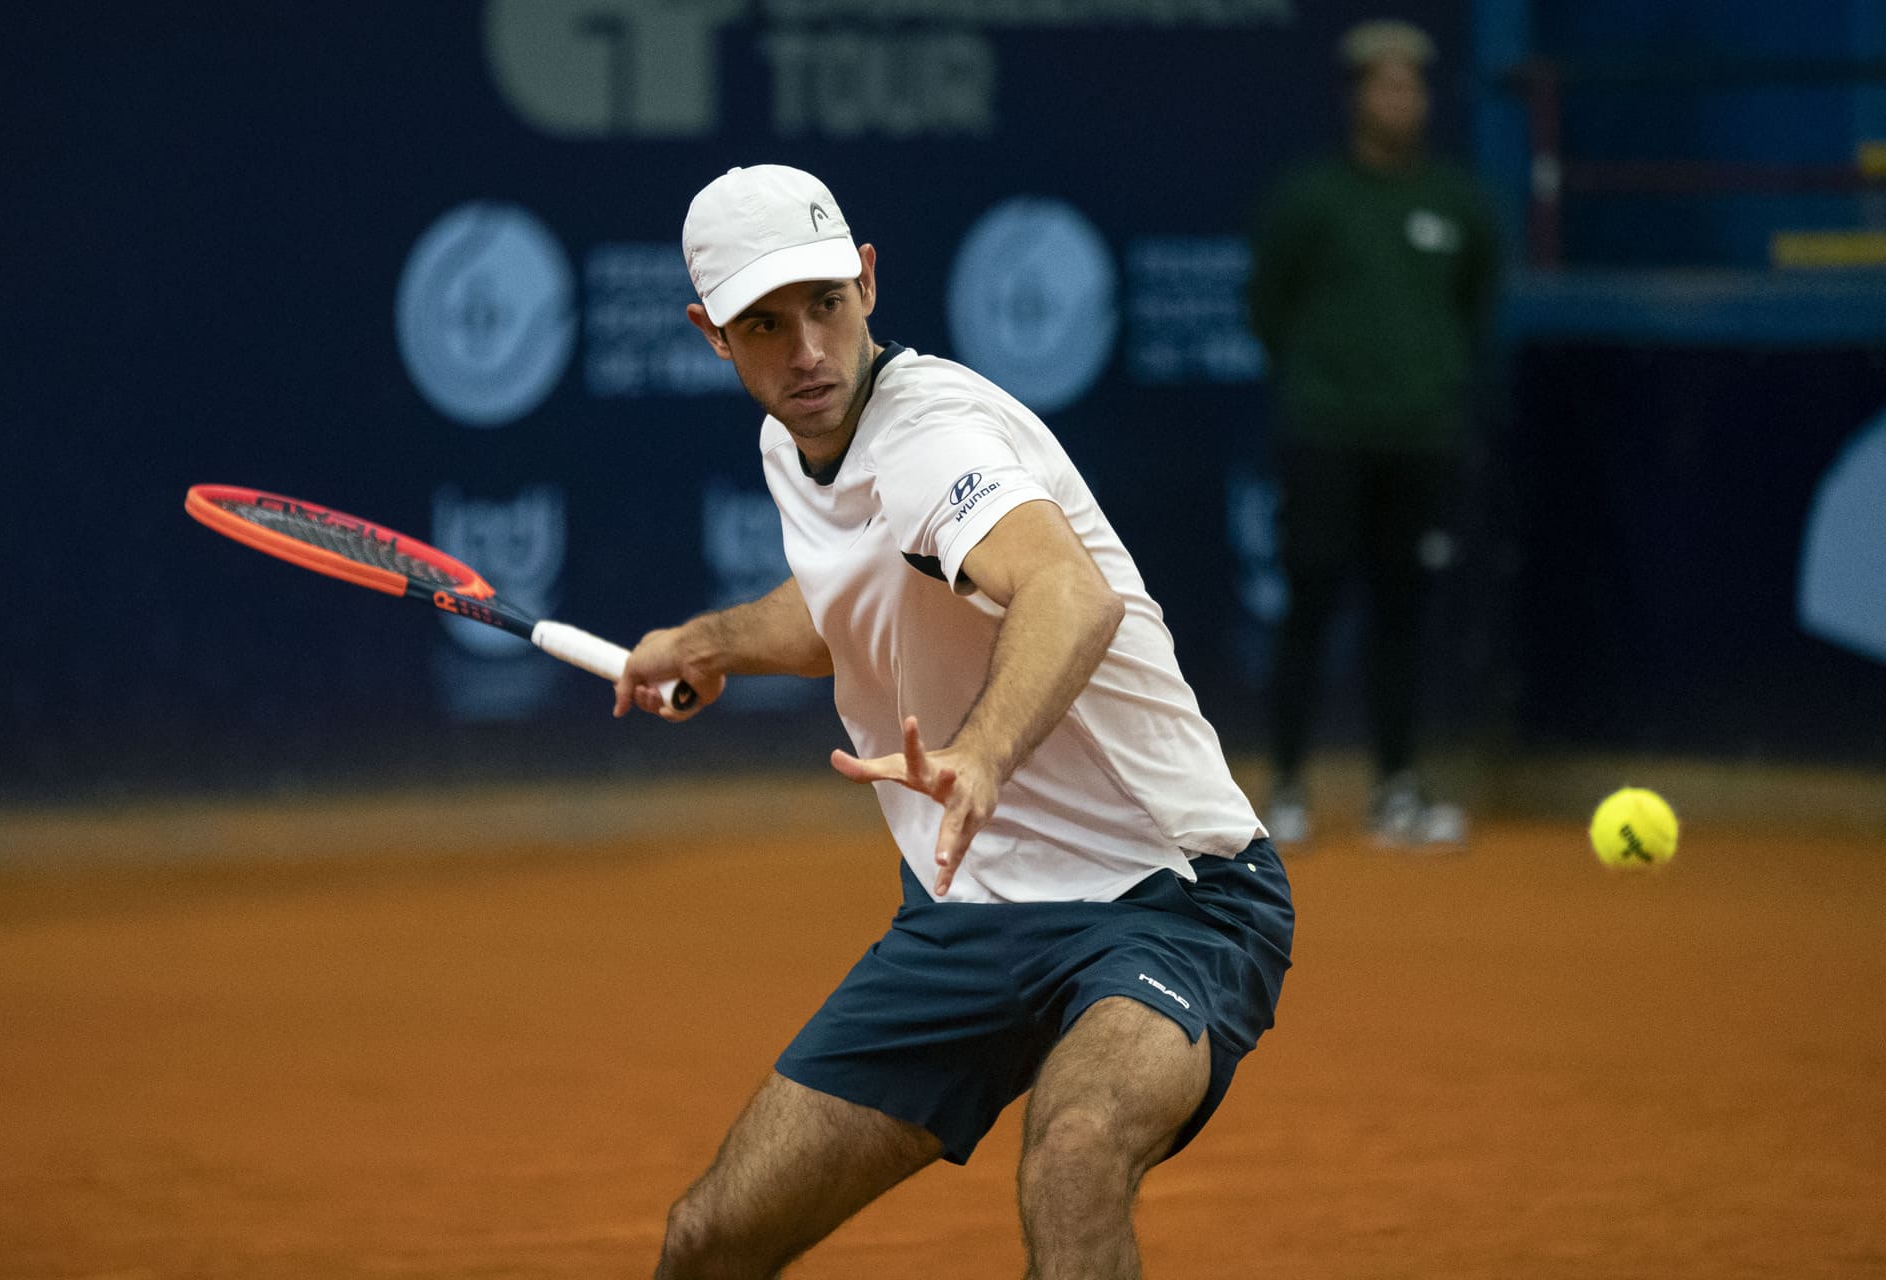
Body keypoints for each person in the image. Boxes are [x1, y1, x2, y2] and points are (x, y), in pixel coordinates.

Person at [613, 163, 1295, 1278]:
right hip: (969, 908)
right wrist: (712, 640)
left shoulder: (933, 434)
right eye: (765, 324)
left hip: (1170, 896)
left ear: (868, 281)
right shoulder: (796, 442)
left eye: (826, 304)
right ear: (710, 335)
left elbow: (1070, 591)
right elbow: (852, 600)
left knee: (1074, 1156)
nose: (807, 352)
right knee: (710, 1238)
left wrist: (982, 752)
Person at [1245, 18, 1501, 848]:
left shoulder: (1455, 203)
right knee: (1309, 611)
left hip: (1422, 441)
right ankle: (1283, 790)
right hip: (1327, 435)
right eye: (1385, 85)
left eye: (1413, 85)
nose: (1401, 99)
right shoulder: (1312, 200)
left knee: (1402, 616)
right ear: (1357, 99)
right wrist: (1328, 384)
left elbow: (1474, 308)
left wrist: (1424, 385)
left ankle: (1396, 790)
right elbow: (1268, 308)